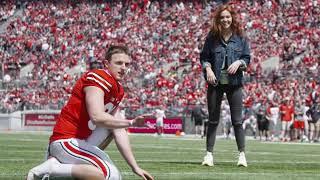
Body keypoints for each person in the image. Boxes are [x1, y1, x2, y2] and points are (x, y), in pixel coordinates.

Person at [27, 45, 154, 180]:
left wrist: (135, 167)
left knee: (102, 169)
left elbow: (119, 130)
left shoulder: (118, 89)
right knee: (112, 175)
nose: (123, 67)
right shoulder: (98, 76)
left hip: (81, 142)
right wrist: (131, 122)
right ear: (106, 64)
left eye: (126, 64)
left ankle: (57, 168)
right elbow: (96, 116)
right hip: (66, 141)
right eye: (118, 63)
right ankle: (53, 168)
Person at [200, 4, 250, 167]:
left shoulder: (240, 37)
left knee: (237, 121)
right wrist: (208, 69)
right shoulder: (212, 37)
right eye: (222, 17)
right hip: (215, 84)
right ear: (218, 19)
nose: (225, 20)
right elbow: (204, 57)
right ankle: (209, 155)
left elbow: (247, 58)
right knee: (213, 120)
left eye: (228, 17)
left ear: (232, 18)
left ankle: (242, 155)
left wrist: (239, 62)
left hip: (234, 84)